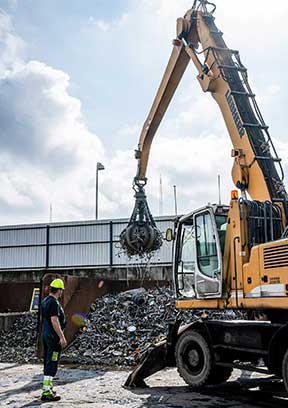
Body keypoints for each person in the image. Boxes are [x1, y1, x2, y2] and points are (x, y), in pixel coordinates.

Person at [40, 278, 67, 402]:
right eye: (61, 290)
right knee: (52, 361)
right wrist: (61, 337)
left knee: (48, 360)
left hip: (46, 335)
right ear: (59, 290)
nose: (62, 292)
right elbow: (54, 320)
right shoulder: (53, 303)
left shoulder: (45, 301)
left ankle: (48, 387)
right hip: (53, 338)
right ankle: (46, 391)